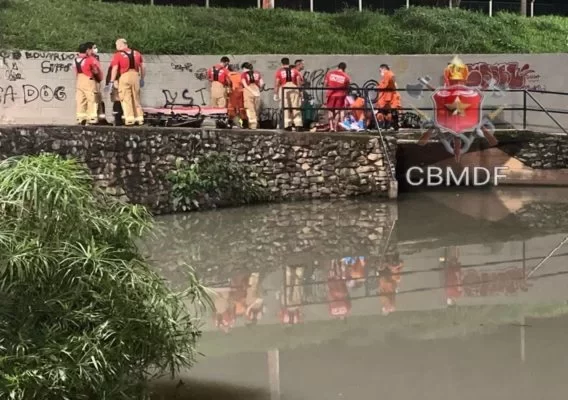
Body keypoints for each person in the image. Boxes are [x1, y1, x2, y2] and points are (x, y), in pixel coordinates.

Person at [108, 38, 145, 126]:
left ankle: (130, 119)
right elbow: (143, 67)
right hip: (136, 75)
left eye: (117, 45)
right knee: (136, 97)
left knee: (125, 97)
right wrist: (142, 78)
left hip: (124, 76)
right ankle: (139, 118)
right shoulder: (137, 53)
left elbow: (115, 68)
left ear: (121, 45)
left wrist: (112, 81)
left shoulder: (118, 55)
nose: (116, 47)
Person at [74, 42, 103, 125]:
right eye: (90, 49)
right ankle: (92, 118)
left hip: (79, 81)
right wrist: (99, 78)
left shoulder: (75, 59)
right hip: (89, 80)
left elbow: (75, 71)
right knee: (91, 99)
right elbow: (96, 70)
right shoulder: (90, 59)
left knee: (80, 100)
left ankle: (81, 118)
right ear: (87, 50)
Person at [274, 57, 303, 131]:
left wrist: (275, 94)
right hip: (294, 87)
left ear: (282, 64)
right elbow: (298, 82)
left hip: (284, 88)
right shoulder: (295, 71)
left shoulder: (279, 72)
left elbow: (277, 84)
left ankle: (287, 125)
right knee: (295, 106)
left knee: (286, 107)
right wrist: (300, 92)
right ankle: (298, 124)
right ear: (289, 63)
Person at [324, 62, 351, 132]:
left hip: (330, 94)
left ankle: (331, 127)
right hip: (340, 95)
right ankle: (335, 128)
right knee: (337, 111)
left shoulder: (330, 73)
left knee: (330, 111)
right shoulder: (346, 76)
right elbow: (348, 87)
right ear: (344, 68)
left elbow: (325, 84)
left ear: (338, 67)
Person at [241, 62, 265, 130]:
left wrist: (251, 91)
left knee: (249, 108)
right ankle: (257, 124)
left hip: (248, 91)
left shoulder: (244, 74)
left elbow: (245, 85)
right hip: (257, 91)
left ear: (244, 68)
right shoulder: (257, 73)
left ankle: (252, 125)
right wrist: (258, 91)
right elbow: (262, 84)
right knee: (256, 108)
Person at [376, 64, 400, 131]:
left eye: (380, 70)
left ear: (383, 69)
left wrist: (377, 88)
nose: (380, 72)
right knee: (390, 111)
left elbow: (384, 85)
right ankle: (393, 125)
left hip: (388, 96)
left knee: (385, 111)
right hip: (390, 96)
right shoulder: (391, 74)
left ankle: (388, 125)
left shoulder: (387, 75)